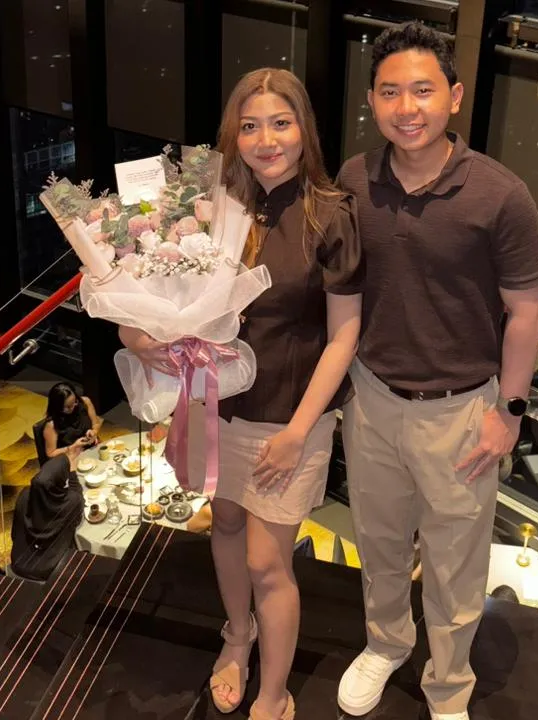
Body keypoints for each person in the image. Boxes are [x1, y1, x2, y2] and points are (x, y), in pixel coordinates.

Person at [119, 68, 362, 720]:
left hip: (290, 417)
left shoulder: (331, 214)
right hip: (212, 404)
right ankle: (237, 636)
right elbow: (151, 297)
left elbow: (344, 336)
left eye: (281, 123)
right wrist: (136, 333)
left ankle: (275, 692)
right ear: (234, 135)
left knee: (268, 563)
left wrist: (298, 432)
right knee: (224, 523)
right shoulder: (210, 208)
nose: (266, 139)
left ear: (304, 129)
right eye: (250, 126)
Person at [336, 23, 538, 720]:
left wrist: (509, 414)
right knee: (378, 542)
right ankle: (387, 642)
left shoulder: (501, 195)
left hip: (462, 410)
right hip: (372, 399)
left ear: (454, 97)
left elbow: (526, 313)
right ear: (372, 100)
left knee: (456, 565)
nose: (407, 108)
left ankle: (449, 686)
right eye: (390, 92)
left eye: (423, 90)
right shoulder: (354, 180)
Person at [10, 447, 85, 582]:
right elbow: (78, 510)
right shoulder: (71, 501)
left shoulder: (25, 495)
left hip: (18, 563)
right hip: (49, 570)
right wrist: (72, 473)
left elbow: (14, 534)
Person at [43, 382, 102, 459]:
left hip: (92, 447)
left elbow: (96, 424)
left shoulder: (85, 402)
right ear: (58, 407)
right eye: (68, 406)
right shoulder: (52, 424)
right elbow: (50, 453)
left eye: (75, 401)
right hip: (72, 456)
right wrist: (73, 446)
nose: (74, 406)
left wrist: (94, 432)